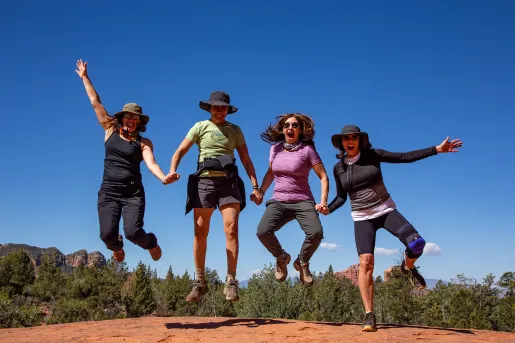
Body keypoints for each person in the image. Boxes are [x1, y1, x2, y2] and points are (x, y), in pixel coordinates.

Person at [321, 124, 462, 332]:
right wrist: (328, 209)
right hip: (362, 218)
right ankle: (369, 315)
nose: (350, 141)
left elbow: (404, 157)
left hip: (386, 211)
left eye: (354, 137)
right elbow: (342, 197)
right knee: (366, 262)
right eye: (346, 138)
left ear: (360, 140)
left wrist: (436, 149)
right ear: (341, 143)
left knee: (417, 244)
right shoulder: (338, 168)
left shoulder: (373, 155)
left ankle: (408, 266)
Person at [164, 91, 262, 302]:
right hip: (204, 182)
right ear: (209, 108)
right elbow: (180, 150)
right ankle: (200, 281)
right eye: (215, 107)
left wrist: (256, 186)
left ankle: (231, 282)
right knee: (200, 230)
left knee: (232, 228)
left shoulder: (235, 131)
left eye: (223, 107)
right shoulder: (200, 126)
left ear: (228, 109)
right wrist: (172, 169)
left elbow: (246, 160)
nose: (219, 111)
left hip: (229, 182)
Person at [75, 59, 166, 263]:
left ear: (139, 122)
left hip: (133, 193)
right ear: (122, 118)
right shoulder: (109, 130)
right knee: (107, 235)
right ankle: (116, 247)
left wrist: (163, 177)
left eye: (135, 117)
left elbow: (151, 163)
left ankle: (151, 243)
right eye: (128, 116)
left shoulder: (144, 142)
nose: (131, 119)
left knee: (134, 233)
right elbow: (95, 101)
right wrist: (85, 78)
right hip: (109, 192)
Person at [255, 113, 329, 286]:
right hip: (279, 200)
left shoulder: (307, 150)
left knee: (316, 233)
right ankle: (282, 258)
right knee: (263, 231)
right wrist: (261, 192)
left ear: (300, 130)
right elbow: (271, 173)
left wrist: (323, 201)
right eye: (287, 125)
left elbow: (323, 176)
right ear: (282, 130)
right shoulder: (275, 149)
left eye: (295, 125)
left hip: (303, 200)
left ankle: (302, 262)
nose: (290, 128)